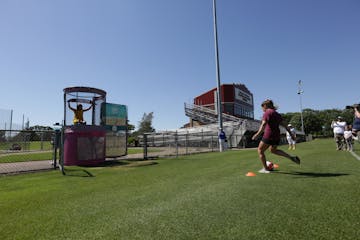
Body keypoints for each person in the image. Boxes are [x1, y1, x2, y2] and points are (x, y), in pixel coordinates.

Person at [252, 99, 300, 173]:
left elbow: (264, 124)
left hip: (269, 135)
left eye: (262, 108)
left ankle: (266, 169)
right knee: (273, 150)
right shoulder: (277, 114)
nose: (262, 110)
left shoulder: (267, 112)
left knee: (260, 150)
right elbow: (285, 125)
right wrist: (292, 135)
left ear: (265, 106)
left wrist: (257, 134)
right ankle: (290, 157)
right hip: (277, 135)